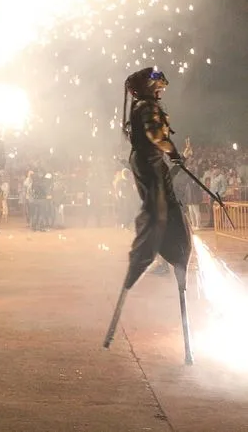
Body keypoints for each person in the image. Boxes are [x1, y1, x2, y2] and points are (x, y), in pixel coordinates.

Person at [104, 67, 193, 364]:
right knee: (158, 214)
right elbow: (156, 136)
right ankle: (153, 250)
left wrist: (173, 155)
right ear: (147, 88)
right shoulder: (146, 108)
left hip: (153, 164)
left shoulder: (145, 106)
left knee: (166, 208)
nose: (161, 91)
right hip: (149, 164)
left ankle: (172, 254)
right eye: (157, 87)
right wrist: (174, 152)